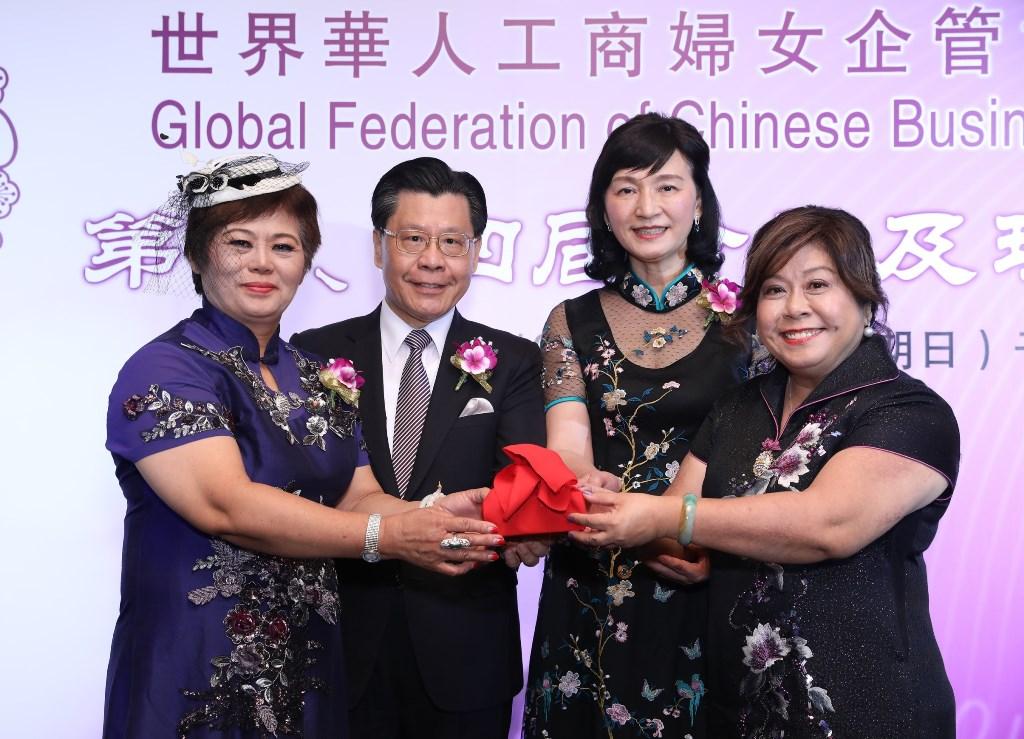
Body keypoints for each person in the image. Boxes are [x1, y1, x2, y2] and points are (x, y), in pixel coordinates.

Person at [103, 154, 504, 738]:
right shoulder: (165, 368)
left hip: (309, 670)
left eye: (285, 247)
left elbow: (358, 495)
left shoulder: (319, 376)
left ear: (307, 262)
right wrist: (391, 537)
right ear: (197, 254)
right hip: (194, 671)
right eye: (239, 242)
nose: (263, 263)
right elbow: (226, 505)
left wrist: (433, 517)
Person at [570, 205, 960, 738]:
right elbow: (680, 544)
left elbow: (829, 525)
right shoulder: (737, 408)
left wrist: (663, 515)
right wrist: (607, 503)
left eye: (818, 284)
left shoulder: (909, 411)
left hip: (868, 712)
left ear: (865, 301)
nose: (795, 308)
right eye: (775, 290)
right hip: (741, 714)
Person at [291, 156, 546, 739]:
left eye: (452, 241)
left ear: (476, 252)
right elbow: (301, 484)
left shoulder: (514, 363)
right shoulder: (312, 353)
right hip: (340, 638)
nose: (433, 260)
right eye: (413, 239)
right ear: (380, 248)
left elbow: (520, 486)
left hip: (466, 645)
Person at [523, 113, 751, 738]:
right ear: (603, 208)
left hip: (706, 570)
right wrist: (591, 490)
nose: (647, 206)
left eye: (668, 186)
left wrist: (705, 543)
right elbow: (566, 447)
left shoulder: (749, 319)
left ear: (699, 200)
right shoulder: (569, 320)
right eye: (626, 188)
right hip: (593, 574)